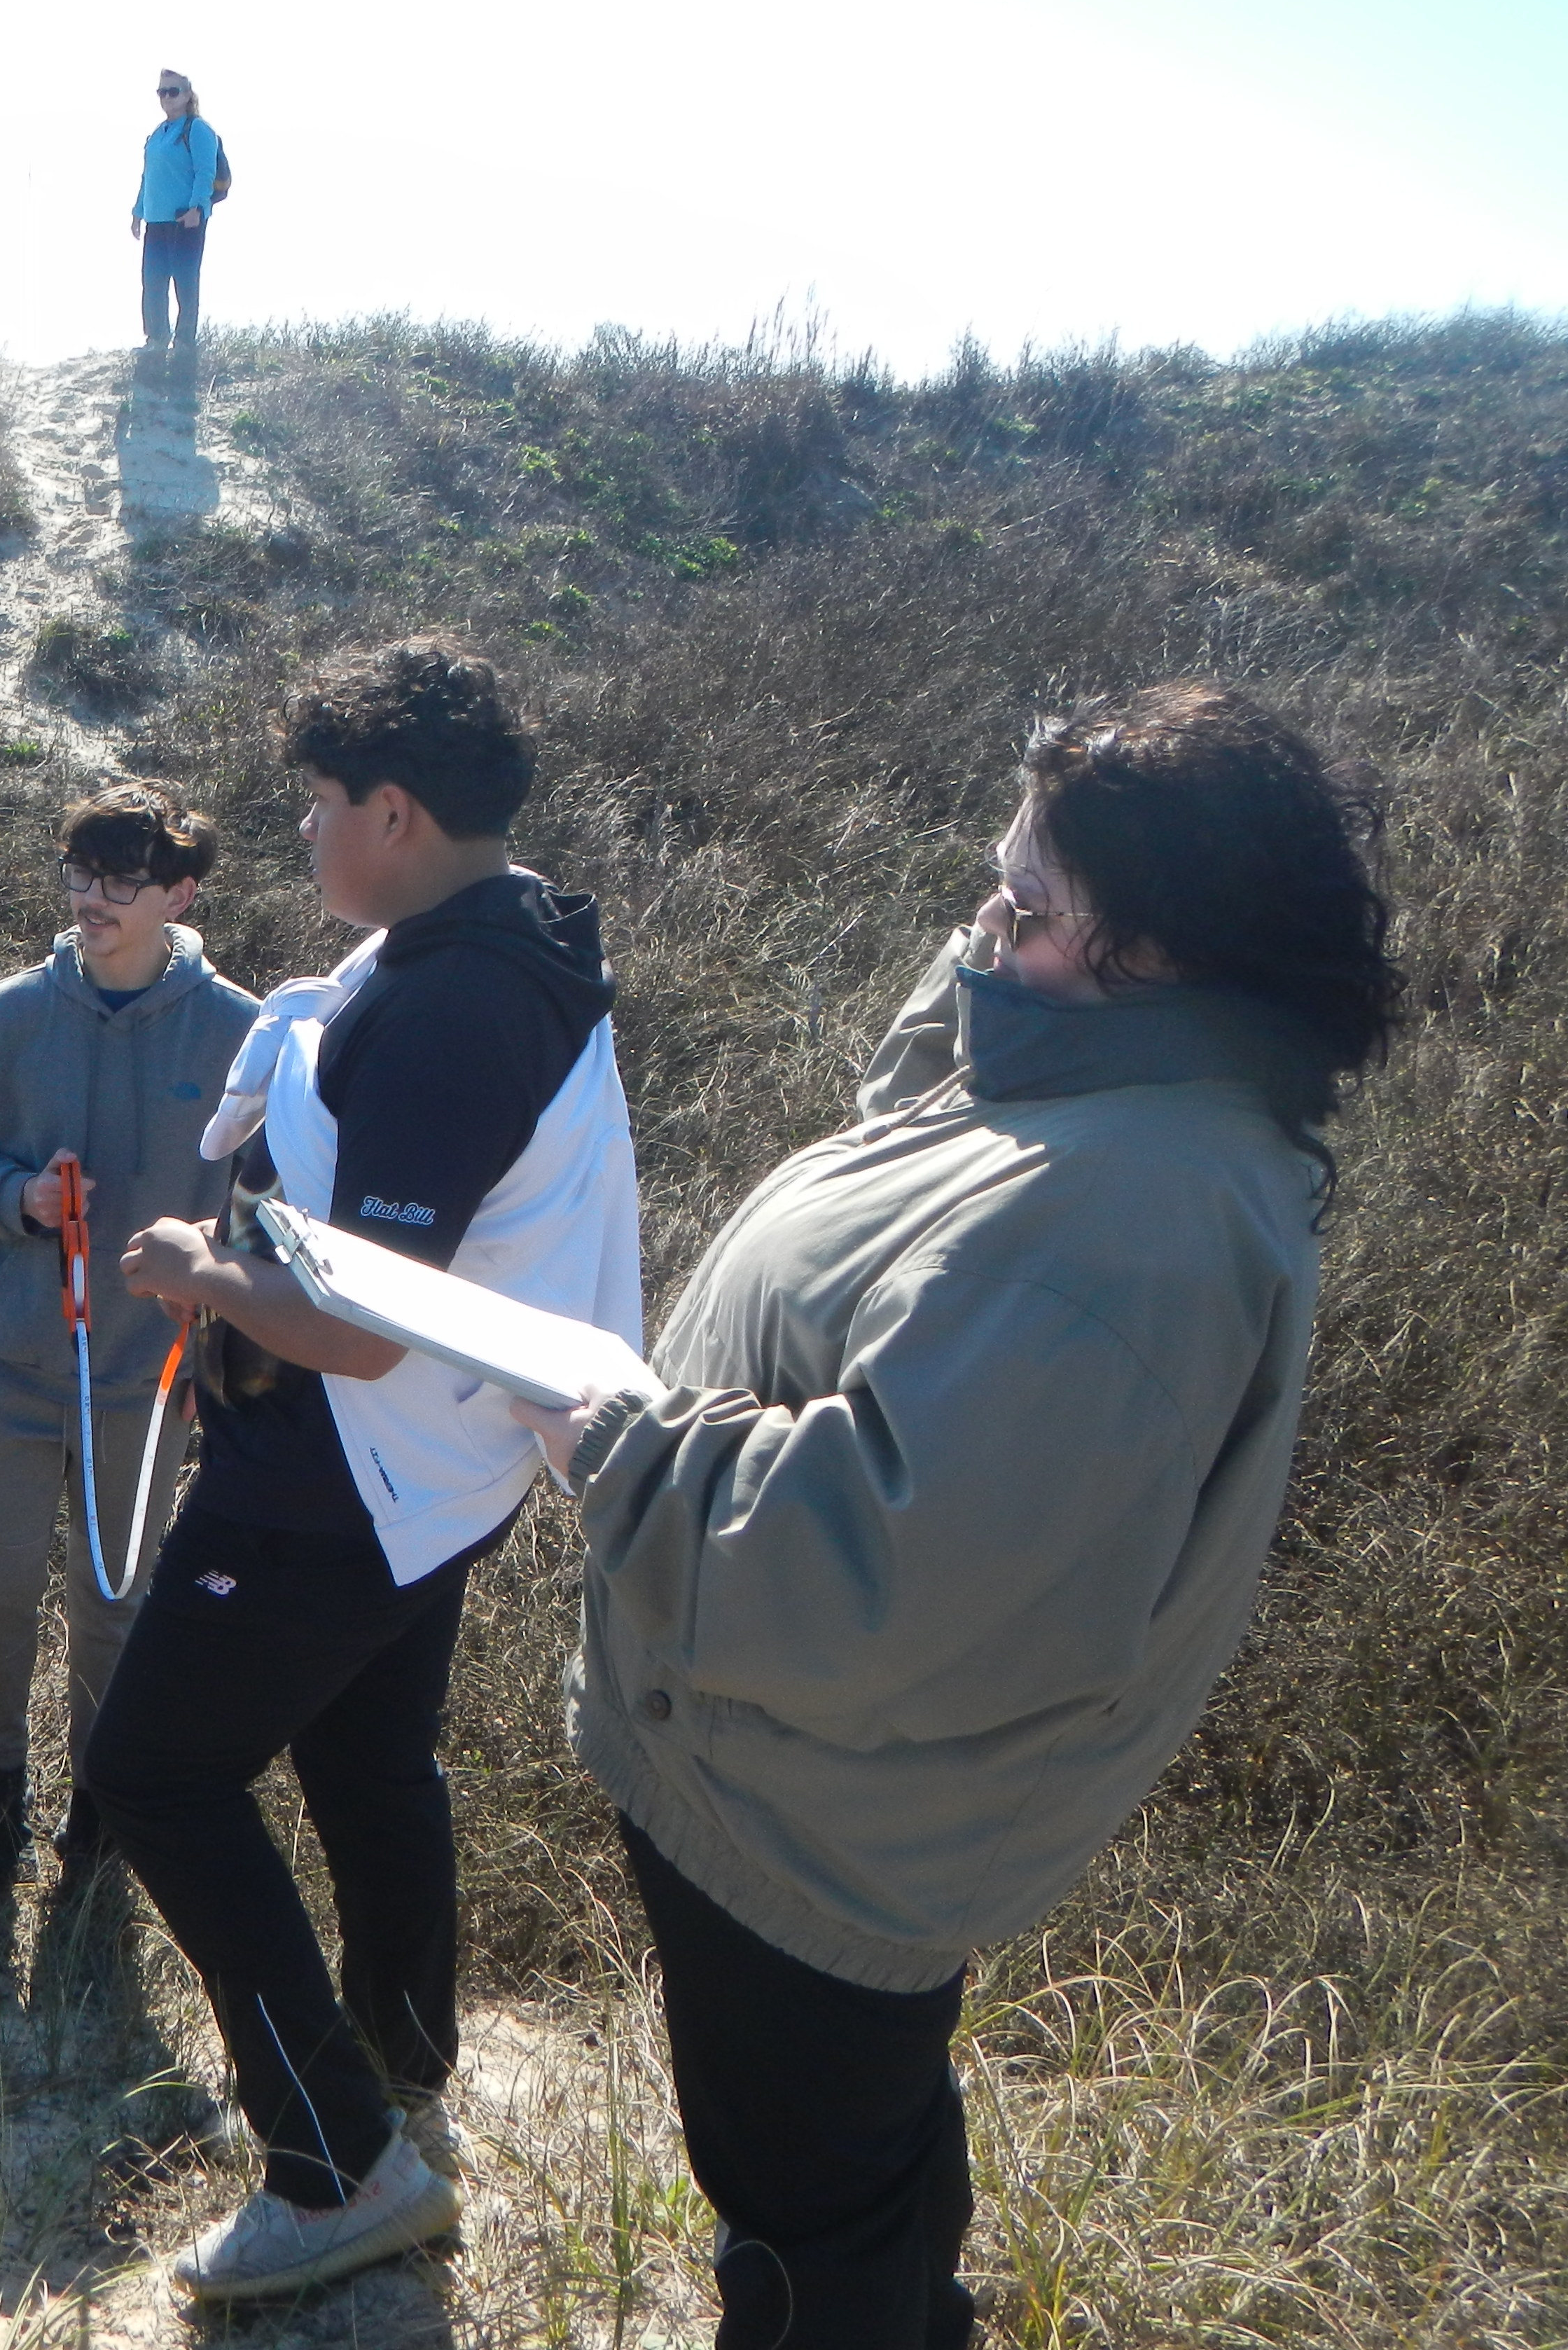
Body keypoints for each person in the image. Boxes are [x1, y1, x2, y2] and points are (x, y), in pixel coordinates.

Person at [510, 683, 1402, 2350]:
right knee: (864, 2182)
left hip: (820, 1823)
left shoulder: (1122, 1224)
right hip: (804, 1776)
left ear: (1160, 952)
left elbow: (881, 1585)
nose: (985, 928)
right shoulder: (1092, 1084)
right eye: (992, 888)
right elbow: (917, 1152)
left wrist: (623, 1451)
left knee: (802, 2229)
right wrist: (999, 954)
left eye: (1029, 906)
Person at [93, 640, 642, 2303]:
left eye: (322, 805)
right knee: (367, 1756)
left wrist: (190, 1267)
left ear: (395, 811)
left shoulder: (452, 1005)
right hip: (448, 1469)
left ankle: (337, 2160)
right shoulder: (510, 938)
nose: (306, 833)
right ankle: (399, 2052)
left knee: (156, 1773)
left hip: (346, 1468)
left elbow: (358, 1330)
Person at [0, 785, 258, 1888]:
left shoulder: (242, 1034)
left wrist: (219, 1304)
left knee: (116, 1605)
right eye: (79, 876)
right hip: (14, 1363)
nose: (92, 902)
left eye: (122, 882)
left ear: (180, 894)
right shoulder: (6, 1015)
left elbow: (273, 1207)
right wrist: (18, 1199)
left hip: (147, 1376)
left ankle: (99, 1809)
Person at [127, 68, 219, 361]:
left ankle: (185, 344)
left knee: (185, 281)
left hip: (185, 218)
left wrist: (197, 208)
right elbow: (148, 176)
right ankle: (156, 339)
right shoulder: (158, 134)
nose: (166, 97)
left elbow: (206, 172)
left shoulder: (198, 129)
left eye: (173, 91)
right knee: (153, 281)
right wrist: (137, 212)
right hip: (156, 219)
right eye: (161, 92)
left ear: (188, 95)